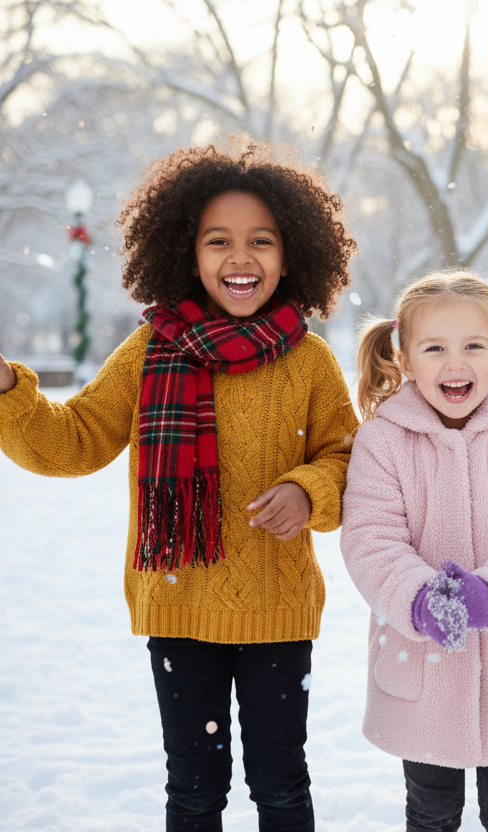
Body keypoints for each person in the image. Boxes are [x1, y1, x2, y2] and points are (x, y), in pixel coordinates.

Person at [0, 139, 359, 831]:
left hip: (276, 610)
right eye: (217, 240)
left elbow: (350, 460)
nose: (240, 257)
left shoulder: (310, 361)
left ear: (293, 254)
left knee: (281, 784)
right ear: (186, 253)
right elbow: (75, 442)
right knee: (193, 789)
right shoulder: (150, 350)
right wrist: (11, 391)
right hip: (178, 603)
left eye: (262, 240)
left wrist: (308, 490)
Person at [340, 271, 488, 832]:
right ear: (404, 360)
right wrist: (419, 598)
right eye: (435, 348)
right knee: (429, 812)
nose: (456, 363)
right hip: (420, 668)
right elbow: (371, 539)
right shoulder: (382, 440)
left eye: (473, 346)